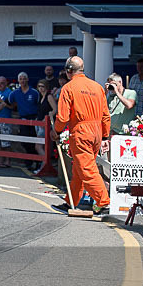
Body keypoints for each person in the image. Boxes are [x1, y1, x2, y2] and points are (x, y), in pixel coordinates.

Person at [53, 56, 111, 215]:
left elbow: (63, 118)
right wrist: (105, 136)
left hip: (81, 132)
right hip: (96, 132)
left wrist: (56, 131)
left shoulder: (68, 88)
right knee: (80, 168)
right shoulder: (97, 87)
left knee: (86, 169)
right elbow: (106, 115)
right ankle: (71, 201)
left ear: (69, 71)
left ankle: (104, 203)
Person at [7, 72, 40, 168]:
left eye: (24, 78)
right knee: (24, 141)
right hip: (22, 119)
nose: (22, 80)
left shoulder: (34, 92)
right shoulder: (15, 93)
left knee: (34, 140)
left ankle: (35, 161)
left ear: (27, 79)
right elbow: (9, 102)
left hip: (34, 119)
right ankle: (29, 160)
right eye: (20, 79)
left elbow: (39, 104)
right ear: (18, 81)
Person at [33, 80, 57, 173]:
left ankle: (46, 164)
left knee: (38, 146)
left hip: (45, 124)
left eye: (42, 86)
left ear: (46, 87)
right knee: (43, 146)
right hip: (39, 123)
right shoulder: (41, 97)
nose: (41, 88)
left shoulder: (49, 96)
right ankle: (44, 166)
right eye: (39, 86)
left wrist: (47, 117)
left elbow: (55, 109)